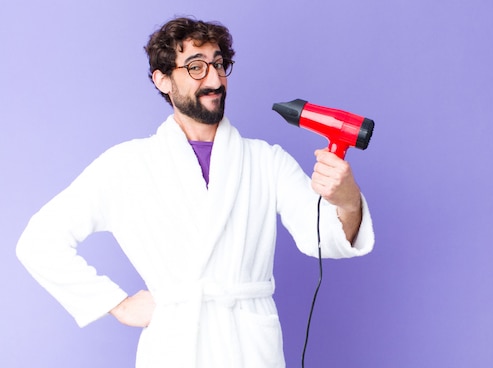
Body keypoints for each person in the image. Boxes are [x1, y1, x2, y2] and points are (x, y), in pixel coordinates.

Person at [16, 17, 374, 368]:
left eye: (219, 64)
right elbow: (39, 241)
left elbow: (324, 241)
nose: (215, 79)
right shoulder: (125, 165)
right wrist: (118, 303)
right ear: (163, 80)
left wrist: (347, 199)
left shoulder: (267, 160)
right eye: (196, 67)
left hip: (249, 345)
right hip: (176, 345)